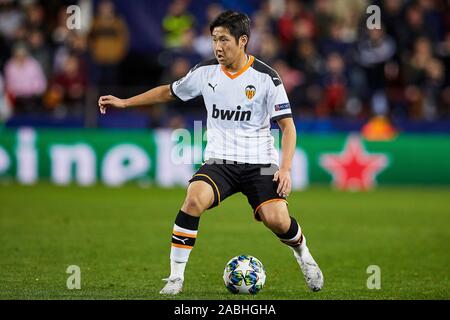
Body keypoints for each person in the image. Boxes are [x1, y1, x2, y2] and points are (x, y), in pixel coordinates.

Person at [98, 10, 323, 295]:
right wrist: (126, 102)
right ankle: (175, 278)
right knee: (193, 199)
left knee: (276, 219)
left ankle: (303, 254)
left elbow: (288, 128)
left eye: (224, 40)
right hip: (220, 160)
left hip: (261, 162)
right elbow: (168, 92)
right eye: (214, 39)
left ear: (242, 41)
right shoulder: (205, 72)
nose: (218, 46)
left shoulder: (267, 78)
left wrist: (285, 168)